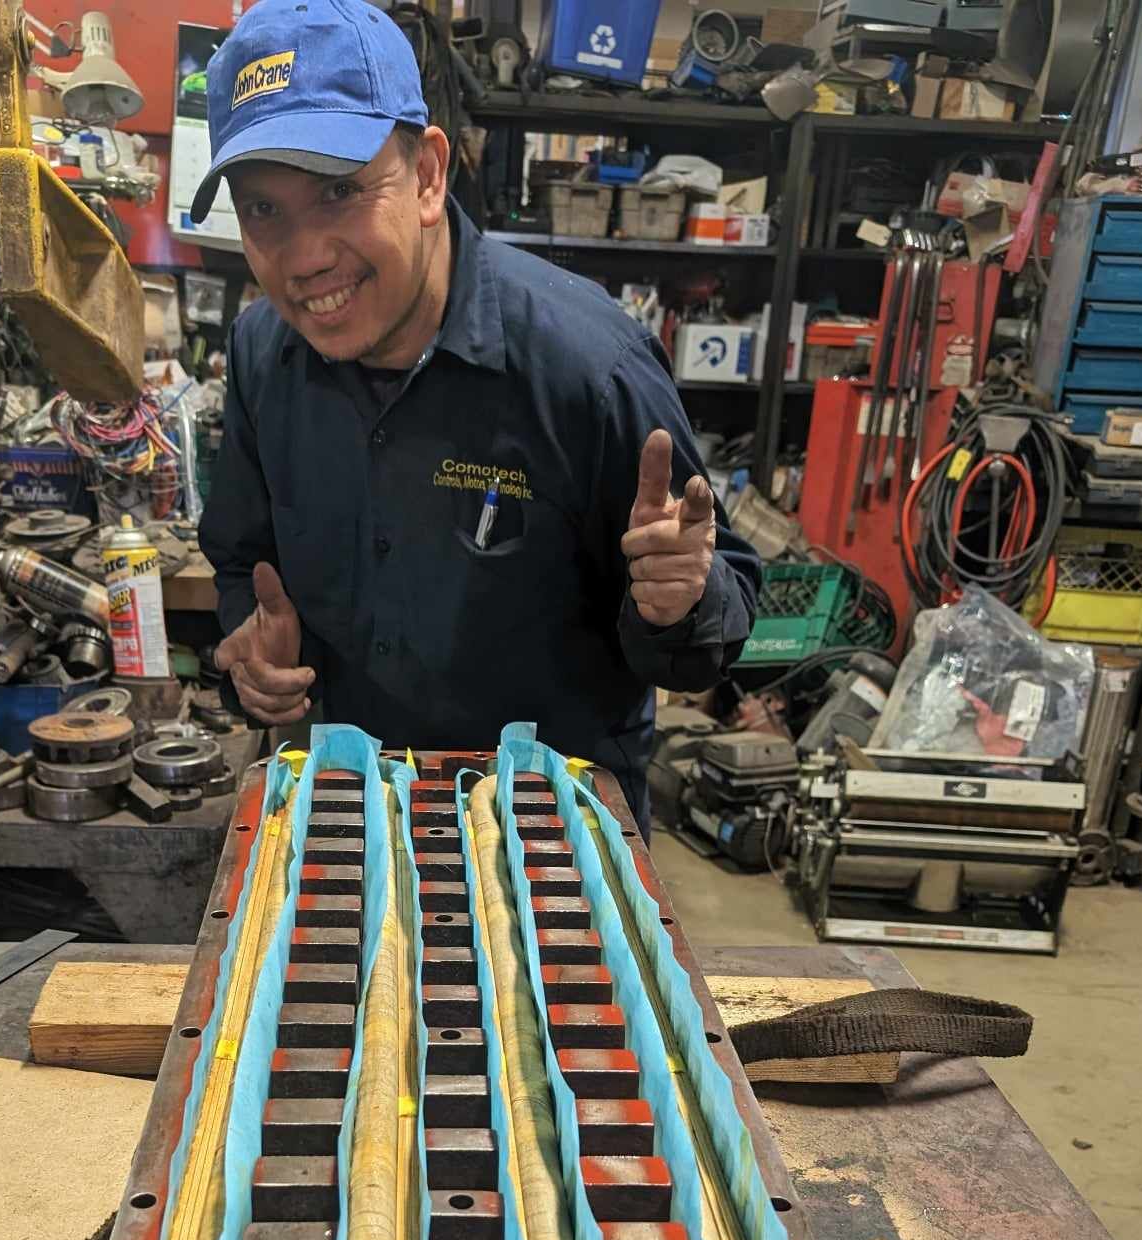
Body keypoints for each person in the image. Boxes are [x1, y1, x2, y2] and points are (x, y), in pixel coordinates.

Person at [194, 0, 760, 831]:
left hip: (556, 842)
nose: (304, 256)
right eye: (262, 211)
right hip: (359, 816)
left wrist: (678, 600)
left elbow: (717, 622)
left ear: (427, 174)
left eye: (341, 190)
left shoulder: (587, 369)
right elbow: (244, 559)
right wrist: (256, 650)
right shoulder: (260, 355)